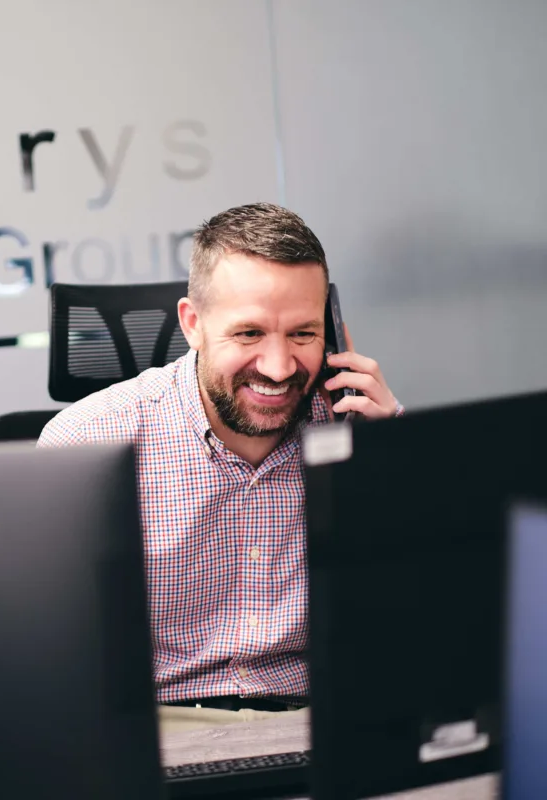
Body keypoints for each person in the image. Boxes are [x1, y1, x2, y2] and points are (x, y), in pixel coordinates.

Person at [37, 203, 402, 732]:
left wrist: (394, 461)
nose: (279, 368)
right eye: (249, 334)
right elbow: (47, 651)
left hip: (323, 722)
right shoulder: (87, 441)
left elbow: (425, 620)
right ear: (193, 324)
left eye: (302, 334)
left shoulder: (362, 425)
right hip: (156, 727)